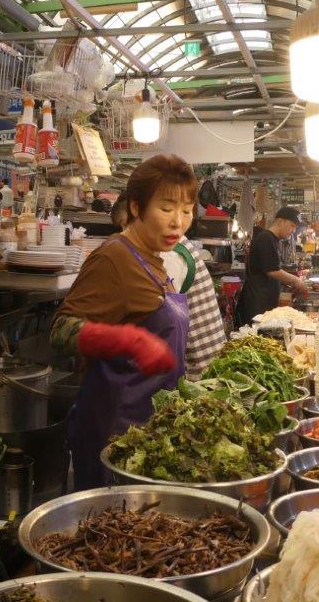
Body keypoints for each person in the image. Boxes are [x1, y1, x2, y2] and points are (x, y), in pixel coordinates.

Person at [50, 155, 195, 489]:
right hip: (114, 436)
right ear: (135, 207)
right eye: (166, 208)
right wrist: (128, 341)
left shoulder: (155, 259)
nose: (178, 222)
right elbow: (60, 330)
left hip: (149, 431)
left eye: (187, 211)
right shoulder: (114, 257)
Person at [109, 195, 225, 381]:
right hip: (205, 363)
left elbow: (162, 314)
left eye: (127, 224)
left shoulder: (168, 253)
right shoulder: (172, 242)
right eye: (122, 227)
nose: (125, 233)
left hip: (198, 370)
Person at [234, 207, 308, 327]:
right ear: (281, 221)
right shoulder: (266, 238)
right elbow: (272, 271)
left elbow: (271, 267)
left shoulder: (273, 239)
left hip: (263, 302)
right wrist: (296, 281)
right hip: (256, 305)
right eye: (292, 225)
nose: (293, 231)